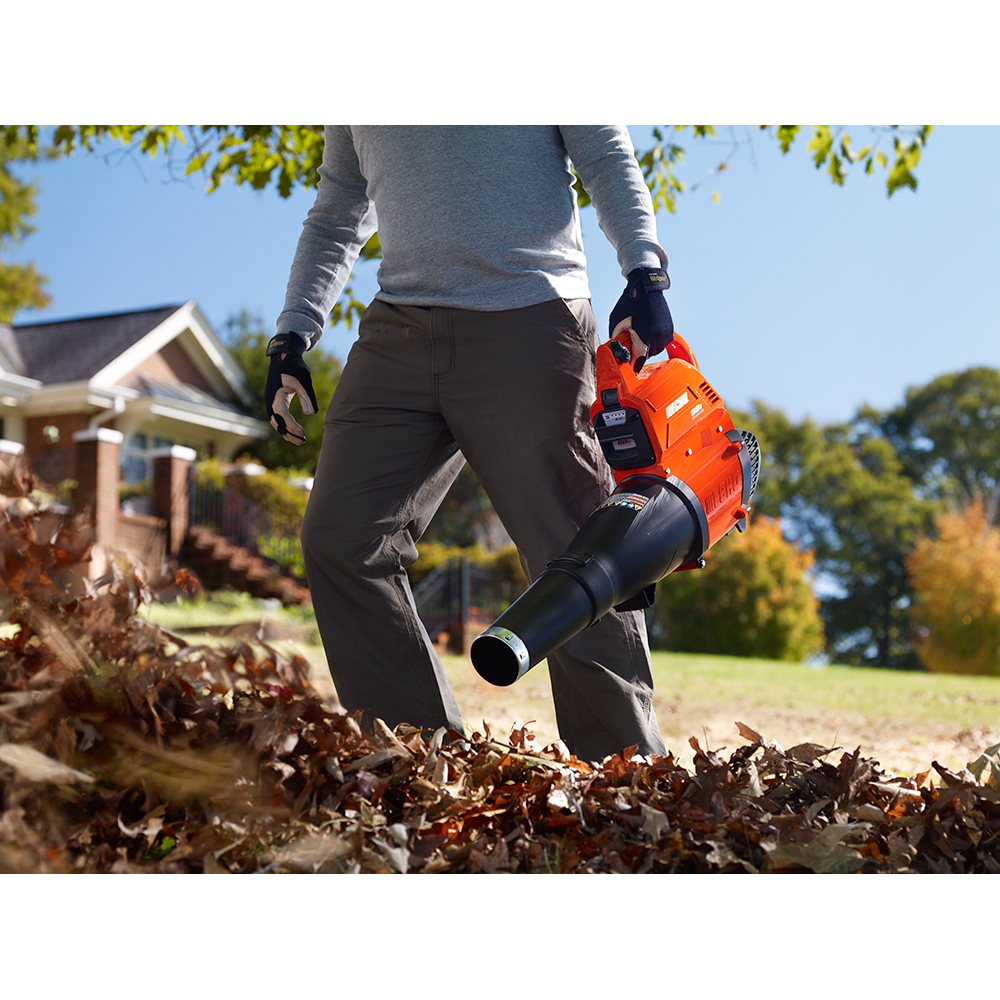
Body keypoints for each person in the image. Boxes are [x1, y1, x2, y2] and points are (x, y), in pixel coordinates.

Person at [265, 126, 675, 762]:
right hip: (398, 324)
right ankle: (417, 759)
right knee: (342, 537)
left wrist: (644, 270)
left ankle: (627, 772)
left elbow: (604, 154)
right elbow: (340, 207)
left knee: (573, 549)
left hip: (530, 314)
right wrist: (293, 332)